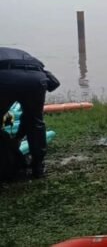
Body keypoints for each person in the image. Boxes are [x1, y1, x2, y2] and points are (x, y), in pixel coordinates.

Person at [0, 48, 61, 178]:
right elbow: (52, 81)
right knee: (35, 121)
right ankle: (38, 167)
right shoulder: (16, 52)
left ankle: (6, 162)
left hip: (4, 78)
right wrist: (18, 137)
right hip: (36, 78)